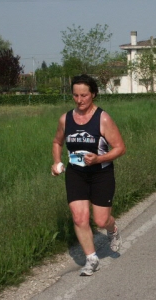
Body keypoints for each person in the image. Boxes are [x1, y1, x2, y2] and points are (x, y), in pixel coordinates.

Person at [51, 74, 126, 276]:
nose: (79, 100)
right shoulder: (65, 119)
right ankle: (91, 259)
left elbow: (120, 148)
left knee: (101, 221)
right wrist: (56, 161)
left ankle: (113, 229)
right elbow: (57, 142)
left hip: (101, 174)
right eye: (75, 95)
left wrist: (99, 159)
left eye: (84, 95)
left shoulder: (103, 118)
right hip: (76, 174)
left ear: (93, 94)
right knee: (79, 218)